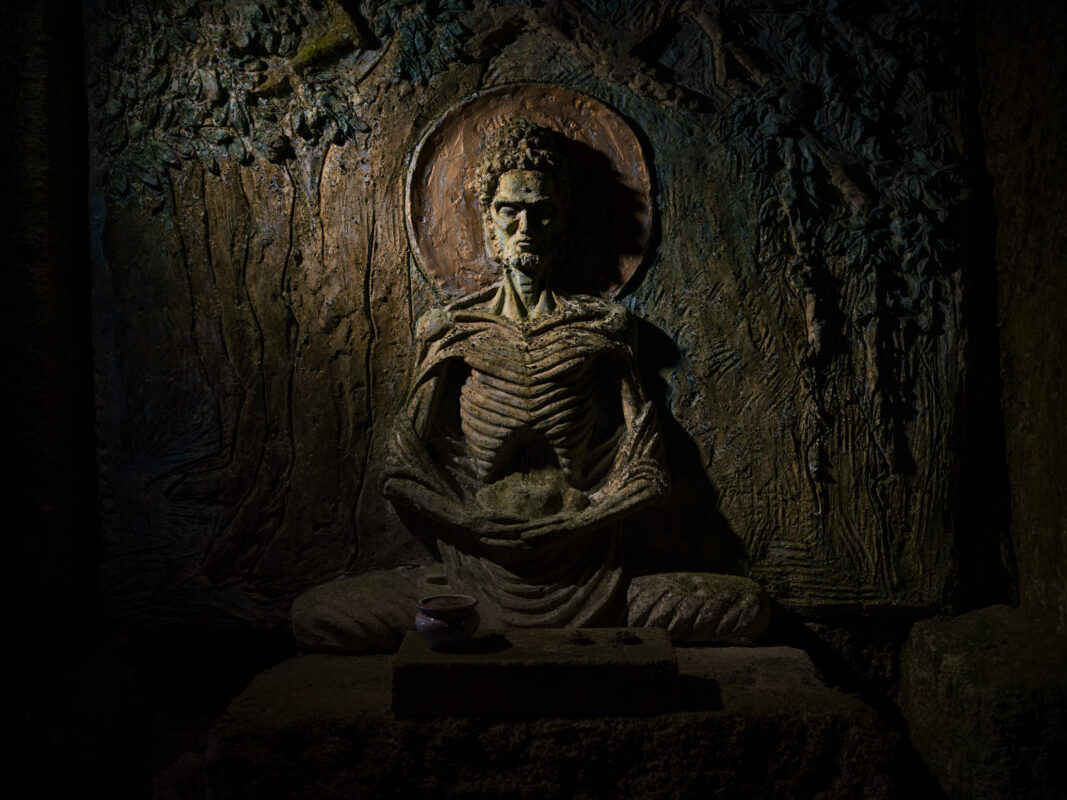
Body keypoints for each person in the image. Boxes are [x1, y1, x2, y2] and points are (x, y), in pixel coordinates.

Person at [291, 120, 768, 651]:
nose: (526, 226)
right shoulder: (453, 329)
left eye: (542, 212)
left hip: (587, 571)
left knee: (743, 606)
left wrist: (579, 522)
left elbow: (647, 474)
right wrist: (468, 524)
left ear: (563, 223)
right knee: (316, 615)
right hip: (473, 568)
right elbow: (401, 471)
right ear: (488, 223)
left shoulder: (601, 328)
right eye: (509, 211)